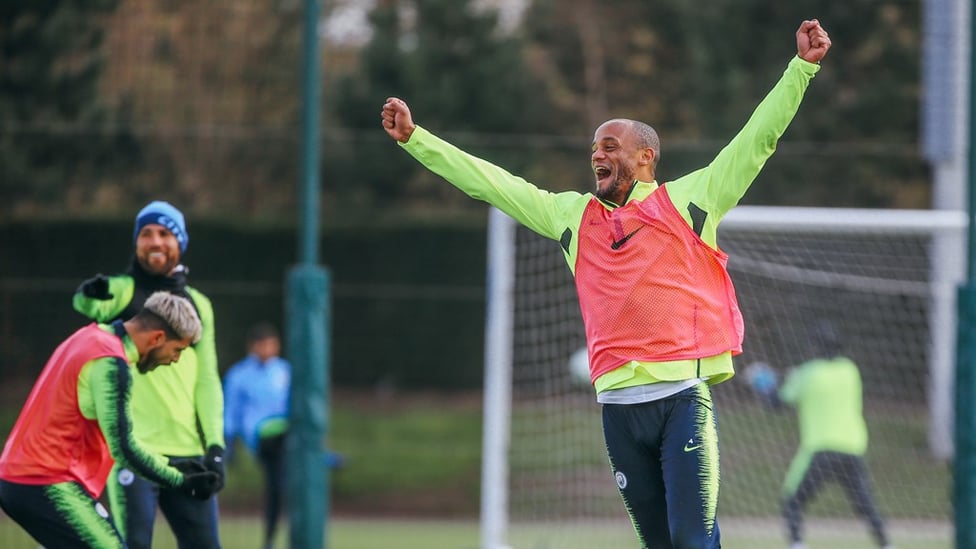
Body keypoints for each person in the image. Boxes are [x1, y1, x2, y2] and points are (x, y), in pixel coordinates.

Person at [382, 19, 831, 549]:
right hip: (617, 412)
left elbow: (758, 139)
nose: (598, 154)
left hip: (681, 401)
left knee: (692, 540)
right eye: (595, 146)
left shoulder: (689, 202)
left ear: (646, 158)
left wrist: (801, 68)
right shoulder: (572, 218)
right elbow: (492, 184)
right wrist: (417, 139)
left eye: (611, 145)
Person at [0, 292, 221, 549]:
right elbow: (124, 448)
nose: (176, 360)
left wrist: (173, 466)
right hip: (46, 483)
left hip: (22, 479)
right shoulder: (110, 363)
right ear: (158, 338)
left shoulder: (88, 337)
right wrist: (181, 481)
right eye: (178, 349)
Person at [72, 200, 225, 548]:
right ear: (136, 243)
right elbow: (89, 305)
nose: (155, 241)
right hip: (134, 453)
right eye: (146, 233)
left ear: (180, 242)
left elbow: (208, 380)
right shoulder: (123, 289)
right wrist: (88, 294)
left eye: (164, 233)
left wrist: (215, 446)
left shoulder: (199, 305)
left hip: (189, 452)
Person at [750, 321, 892, 549]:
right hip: (852, 448)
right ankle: (887, 544)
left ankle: (797, 544)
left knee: (792, 501)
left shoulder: (808, 373)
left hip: (821, 450)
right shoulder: (850, 370)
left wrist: (761, 383)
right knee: (866, 505)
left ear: (814, 346)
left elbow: (776, 402)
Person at [223, 322, 291, 549]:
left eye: (272, 345)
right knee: (278, 484)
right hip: (262, 438)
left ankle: (271, 538)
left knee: (281, 486)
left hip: (287, 435)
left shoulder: (285, 371)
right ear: (252, 347)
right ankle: (270, 539)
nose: (267, 350)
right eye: (263, 345)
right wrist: (229, 442)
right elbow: (231, 410)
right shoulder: (239, 375)